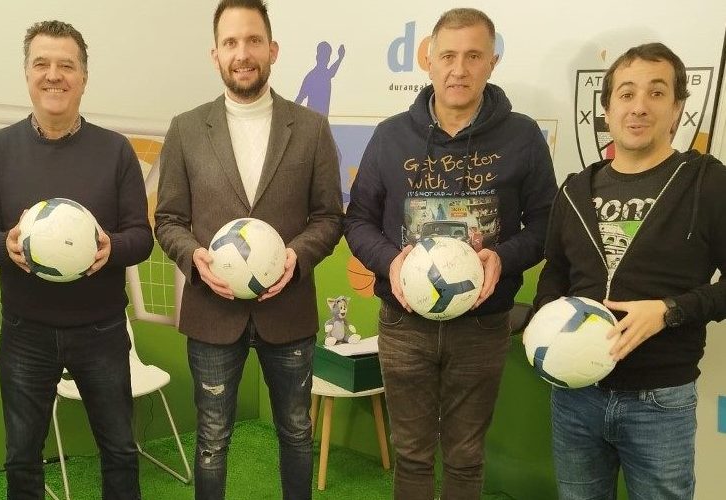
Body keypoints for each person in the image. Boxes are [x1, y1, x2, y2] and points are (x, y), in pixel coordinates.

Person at [344, 8, 557, 499]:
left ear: (492, 62)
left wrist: (503, 257)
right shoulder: (391, 135)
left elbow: (547, 224)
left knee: (465, 457)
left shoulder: (523, 136)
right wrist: (390, 261)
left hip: (483, 325)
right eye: (448, 56)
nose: (459, 69)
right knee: (412, 456)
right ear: (429, 61)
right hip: (404, 325)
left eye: (473, 56)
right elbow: (357, 221)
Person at [154, 0, 343, 497]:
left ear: (272, 49)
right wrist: (194, 259)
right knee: (212, 440)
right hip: (212, 311)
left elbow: (329, 217)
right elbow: (168, 220)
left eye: (253, 40)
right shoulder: (186, 129)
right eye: (231, 42)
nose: (243, 53)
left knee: (297, 432)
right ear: (215, 54)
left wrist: (296, 258)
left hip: (288, 309)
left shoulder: (311, 128)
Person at [0, 20, 152, 500]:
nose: (54, 75)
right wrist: (4, 247)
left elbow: (141, 238)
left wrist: (111, 248)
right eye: (42, 64)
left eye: (66, 66)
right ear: (27, 74)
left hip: (102, 331)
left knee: (119, 450)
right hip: (25, 332)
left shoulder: (116, 150)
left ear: (83, 77)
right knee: (22, 456)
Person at [534, 42, 726, 499]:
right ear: (606, 109)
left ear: (677, 108)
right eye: (626, 93)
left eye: (656, 93)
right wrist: (544, 324)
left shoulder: (707, 183)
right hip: (575, 394)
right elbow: (555, 274)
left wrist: (669, 310)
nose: (639, 106)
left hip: (660, 400)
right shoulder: (574, 190)